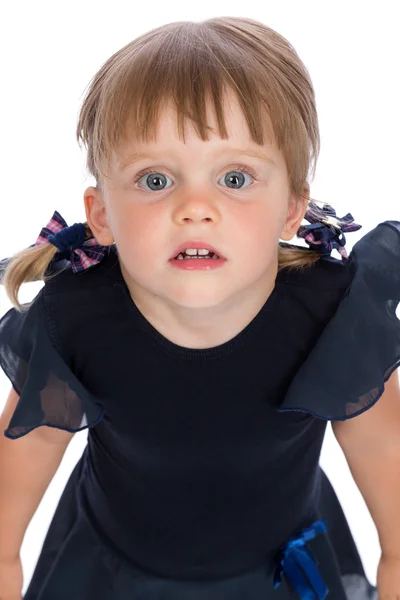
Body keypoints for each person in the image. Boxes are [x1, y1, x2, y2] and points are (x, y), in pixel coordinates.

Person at [0, 15, 397, 599]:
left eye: (234, 177)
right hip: (113, 572)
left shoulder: (328, 319)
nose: (195, 207)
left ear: (293, 207)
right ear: (102, 212)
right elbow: (28, 447)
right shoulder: (75, 321)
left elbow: (388, 460)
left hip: (280, 574)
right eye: (156, 179)